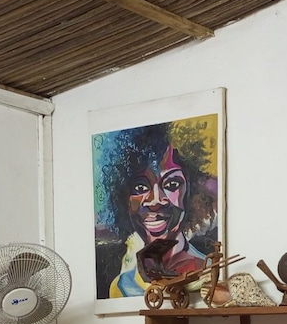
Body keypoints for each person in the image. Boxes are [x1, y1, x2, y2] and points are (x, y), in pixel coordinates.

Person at [93, 120, 219, 298]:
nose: (156, 200)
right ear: (123, 199)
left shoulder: (208, 276)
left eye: (172, 184)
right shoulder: (121, 287)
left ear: (191, 193)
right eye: (140, 187)